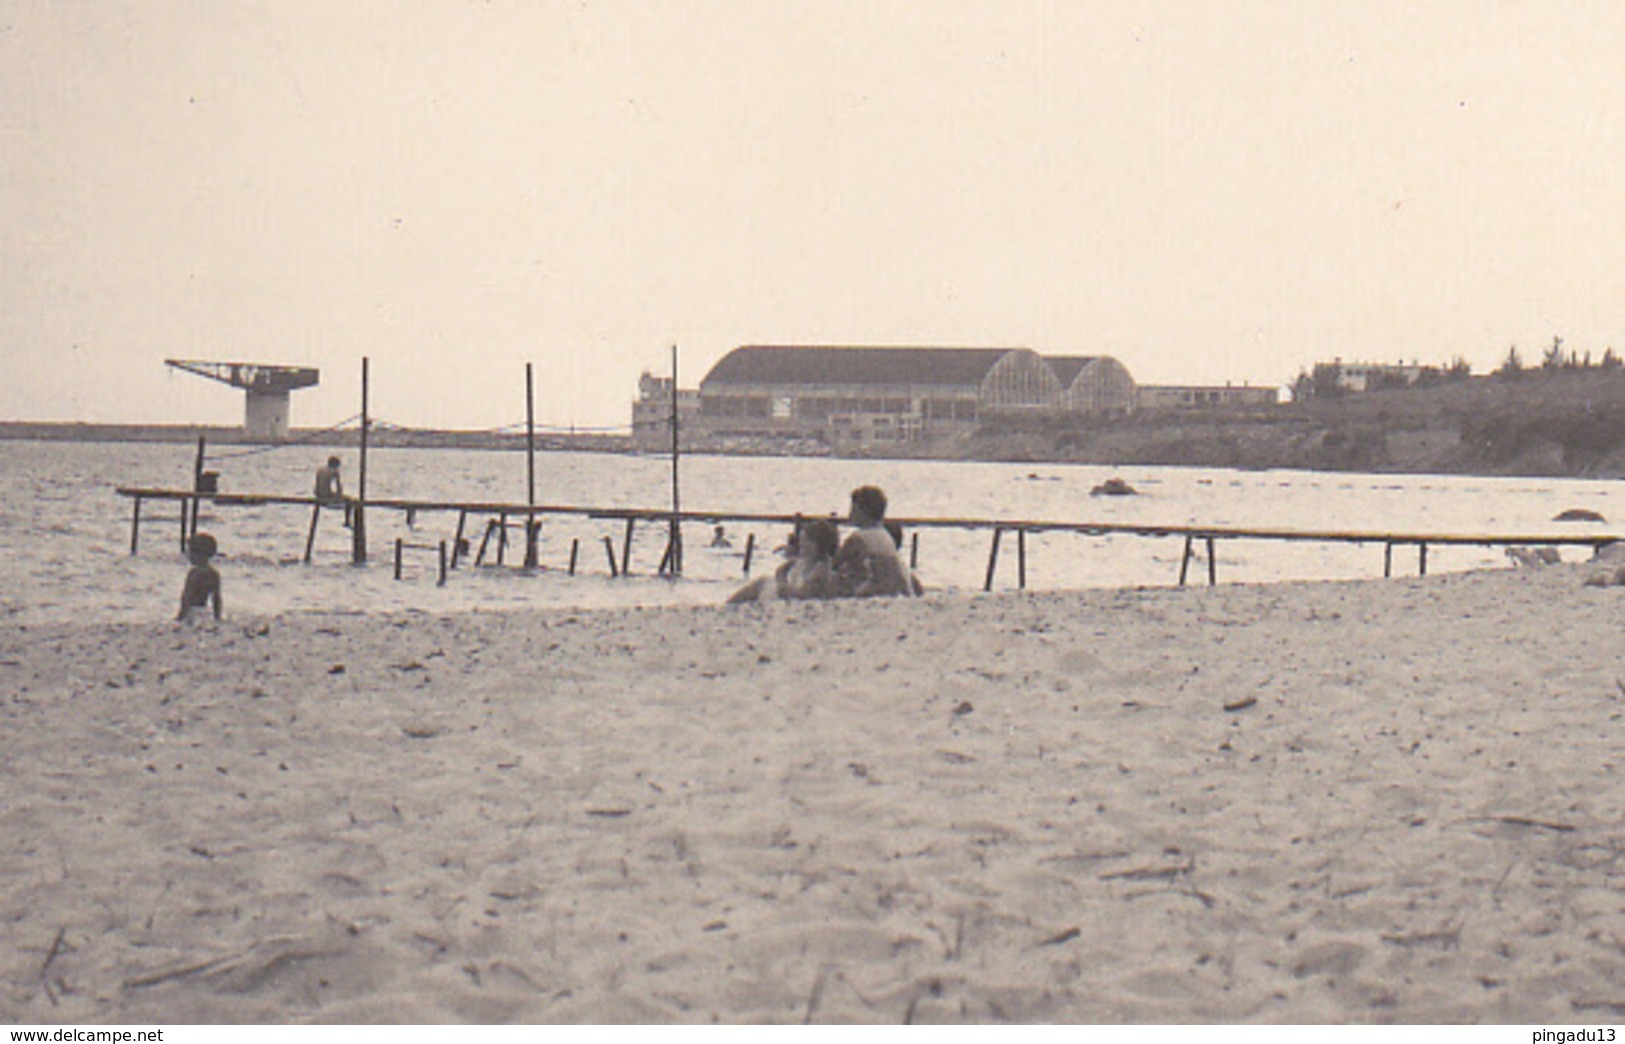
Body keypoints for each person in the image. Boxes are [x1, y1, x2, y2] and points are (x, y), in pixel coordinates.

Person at [727, 519, 840, 603]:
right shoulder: (806, 561)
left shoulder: (820, 569)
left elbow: (800, 595)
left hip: (783, 598)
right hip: (782, 592)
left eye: (805, 542)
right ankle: (729, 604)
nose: (801, 546)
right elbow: (783, 568)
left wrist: (782, 582)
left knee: (761, 583)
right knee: (761, 581)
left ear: (816, 545)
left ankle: (729, 605)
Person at [833, 485, 915, 597]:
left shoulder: (858, 538)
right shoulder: (885, 535)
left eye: (853, 509)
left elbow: (836, 564)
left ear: (862, 511)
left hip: (876, 589)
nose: (850, 514)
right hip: (893, 589)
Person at [177, 532, 222, 622]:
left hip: (191, 613)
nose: (188, 555)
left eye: (190, 552)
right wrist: (217, 617)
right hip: (203, 612)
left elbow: (186, 597)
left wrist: (180, 616)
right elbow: (216, 599)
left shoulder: (193, 574)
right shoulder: (214, 574)